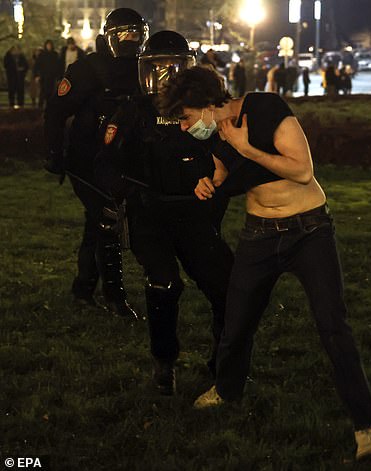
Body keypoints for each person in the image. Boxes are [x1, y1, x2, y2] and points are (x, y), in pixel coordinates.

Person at [159, 66, 371, 461]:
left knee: (333, 326)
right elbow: (224, 173)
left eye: (185, 117)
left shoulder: (266, 108)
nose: (183, 127)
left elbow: (302, 170)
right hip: (259, 235)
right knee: (236, 322)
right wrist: (207, 183)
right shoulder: (212, 136)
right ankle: (227, 389)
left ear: (207, 105)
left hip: (309, 231)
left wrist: (247, 148)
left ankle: (366, 428)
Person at [96, 31, 234, 396]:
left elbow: (231, 155)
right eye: (155, 69)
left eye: (171, 70)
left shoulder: (206, 109)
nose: (163, 79)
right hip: (150, 215)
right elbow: (105, 165)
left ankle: (223, 364)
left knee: (227, 286)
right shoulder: (133, 112)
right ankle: (164, 364)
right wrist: (129, 193)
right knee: (164, 283)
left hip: (195, 216)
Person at [43, 8, 149, 319]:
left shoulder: (143, 68)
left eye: (137, 35)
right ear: (110, 37)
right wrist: (54, 154)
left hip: (126, 160)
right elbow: (56, 112)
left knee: (99, 223)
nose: (132, 41)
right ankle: (113, 296)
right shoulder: (86, 70)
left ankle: (84, 288)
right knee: (106, 218)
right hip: (87, 160)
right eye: (126, 34)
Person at [33, 40, 62, 109]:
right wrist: (36, 75)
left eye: (50, 45)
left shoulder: (55, 55)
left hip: (52, 76)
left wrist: (58, 77)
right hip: (43, 76)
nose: (49, 47)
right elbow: (37, 65)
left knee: (50, 92)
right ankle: (40, 107)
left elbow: (58, 66)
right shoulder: (42, 55)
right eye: (48, 45)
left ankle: (49, 107)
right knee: (43, 92)